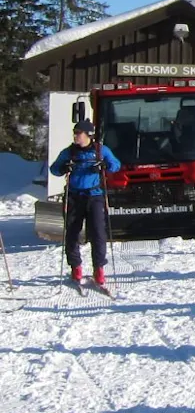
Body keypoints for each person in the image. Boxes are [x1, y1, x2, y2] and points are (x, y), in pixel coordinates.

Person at [51, 119, 122, 288]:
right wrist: (63, 168)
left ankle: (99, 269)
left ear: (88, 135)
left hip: (95, 196)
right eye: (75, 133)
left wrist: (104, 165)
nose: (76, 136)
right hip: (74, 197)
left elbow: (116, 165)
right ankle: (76, 267)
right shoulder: (69, 152)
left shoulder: (100, 150)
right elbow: (54, 168)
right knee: (72, 233)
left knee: (98, 233)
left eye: (79, 133)